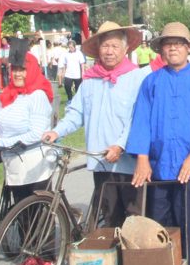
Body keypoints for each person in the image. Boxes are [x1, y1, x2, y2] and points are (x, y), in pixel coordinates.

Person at [128, 22, 190, 265]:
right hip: (159, 167)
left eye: (178, 43)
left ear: (188, 48)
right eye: (168, 44)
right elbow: (142, 120)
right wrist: (142, 159)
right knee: (159, 225)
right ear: (161, 50)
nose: (173, 48)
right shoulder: (151, 82)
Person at [44, 22, 151, 228]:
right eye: (105, 46)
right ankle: (112, 258)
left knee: (135, 220)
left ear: (126, 49)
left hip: (129, 163)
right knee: (110, 218)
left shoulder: (138, 78)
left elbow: (138, 119)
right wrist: (57, 132)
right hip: (101, 160)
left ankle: (133, 260)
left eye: (114, 46)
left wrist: (120, 145)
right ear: (98, 49)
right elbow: (76, 113)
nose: (109, 51)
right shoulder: (90, 81)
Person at [0, 40, 56, 265]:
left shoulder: (38, 95)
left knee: (39, 211)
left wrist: (2, 142)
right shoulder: (7, 95)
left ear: (31, 69)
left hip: (35, 163)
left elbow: (36, 133)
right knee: (21, 212)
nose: (18, 74)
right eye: (15, 69)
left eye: (22, 69)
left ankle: (47, 255)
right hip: (13, 163)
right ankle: (30, 253)